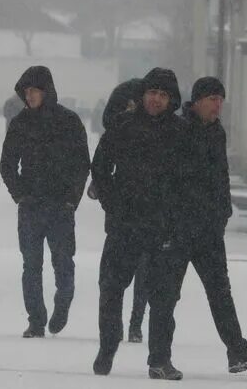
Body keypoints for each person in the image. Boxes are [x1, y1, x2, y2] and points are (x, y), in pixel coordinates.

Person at [92, 68, 188, 380]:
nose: (156, 99)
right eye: (151, 93)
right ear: (142, 95)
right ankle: (107, 346)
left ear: (171, 99)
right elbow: (101, 167)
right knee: (111, 287)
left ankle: (160, 359)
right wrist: (112, 203)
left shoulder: (180, 133)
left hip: (163, 227)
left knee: (163, 297)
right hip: (125, 223)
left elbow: (190, 180)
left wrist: (177, 216)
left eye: (162, 95)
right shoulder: (123, 127)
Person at [178, 76, 247, 373]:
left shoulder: (217, 133)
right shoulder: (179, 131)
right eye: (213, 99)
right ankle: (159, 355)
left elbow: (221, 176)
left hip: (208, 229)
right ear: (197, 102)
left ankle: (237, 350)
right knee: (167, 293)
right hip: (180, 227)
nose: (218, 105)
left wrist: (223, 212)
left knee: (220, 291)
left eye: (221, 100)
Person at [0, 66, 90, 338]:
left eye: (34, 91)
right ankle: (36, 320)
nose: (29, 97)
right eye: (26, 92)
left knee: (63, 261)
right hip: (30, 206)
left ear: (46, 91)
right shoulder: (20, 123)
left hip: (60, 206)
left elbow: (82, 164)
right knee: (31, 264)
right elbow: (7, 163)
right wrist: (19, 193)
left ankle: (63, 301)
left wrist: (71, 200)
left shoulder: (69, 121)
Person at [87, 78, 148, 344]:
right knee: (113, 274)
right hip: (121, 215)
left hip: (146, 215)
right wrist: (110, 200)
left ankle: (135, 322)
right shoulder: (114, 134)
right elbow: (101, 170)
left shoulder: (156, 134)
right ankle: (115, 324)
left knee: (143, 271)